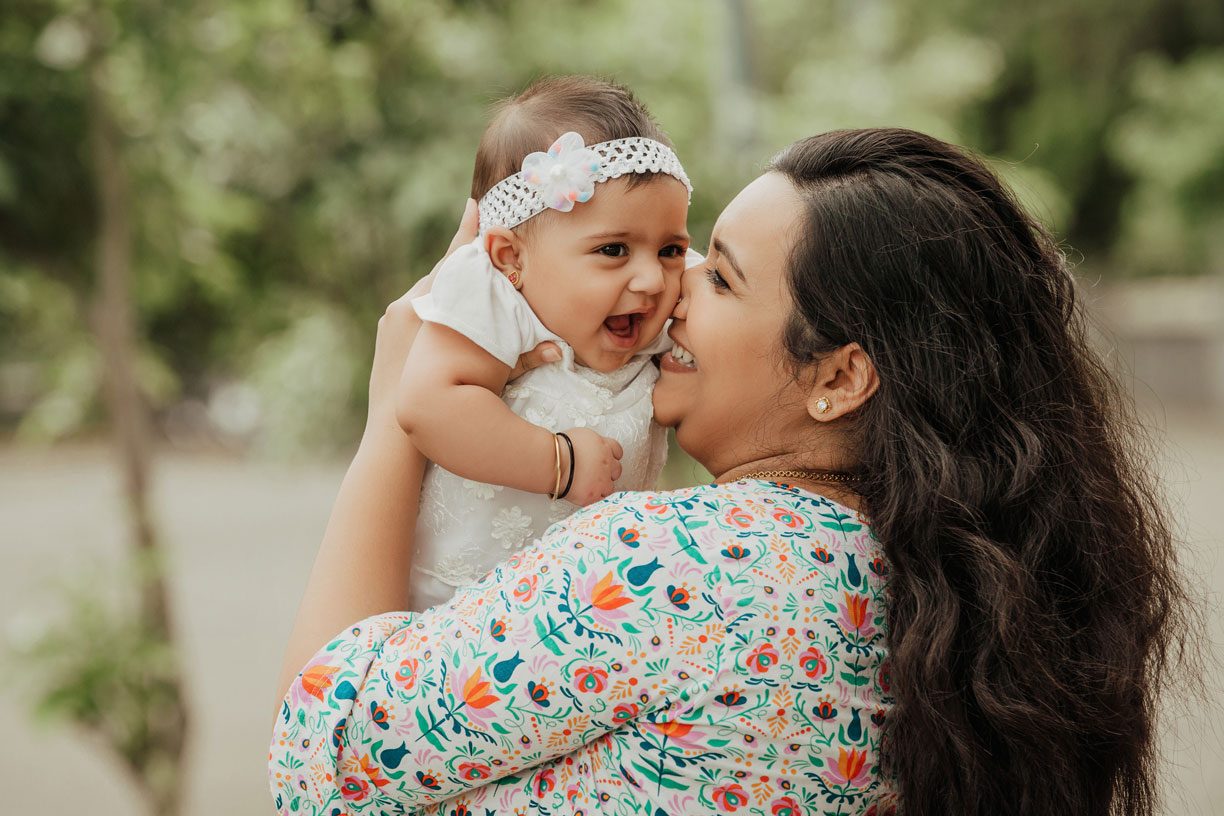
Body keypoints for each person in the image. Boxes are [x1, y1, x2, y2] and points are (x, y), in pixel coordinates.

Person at [271, 128, 1190, 816]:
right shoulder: (946, 596)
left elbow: (321, 747)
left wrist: (400, 406)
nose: (671, 290)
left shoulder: (677, 569)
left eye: (719, 278)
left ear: (838, 378)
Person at [399, 76, 702, 610]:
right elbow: (428, 404)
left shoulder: (662, 303)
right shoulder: (494, 298)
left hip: (588, 612)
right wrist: (557, 461)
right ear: (511, 258)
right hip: (457, 605)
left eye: (672, 248)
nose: (653, 280)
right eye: (612, 249)